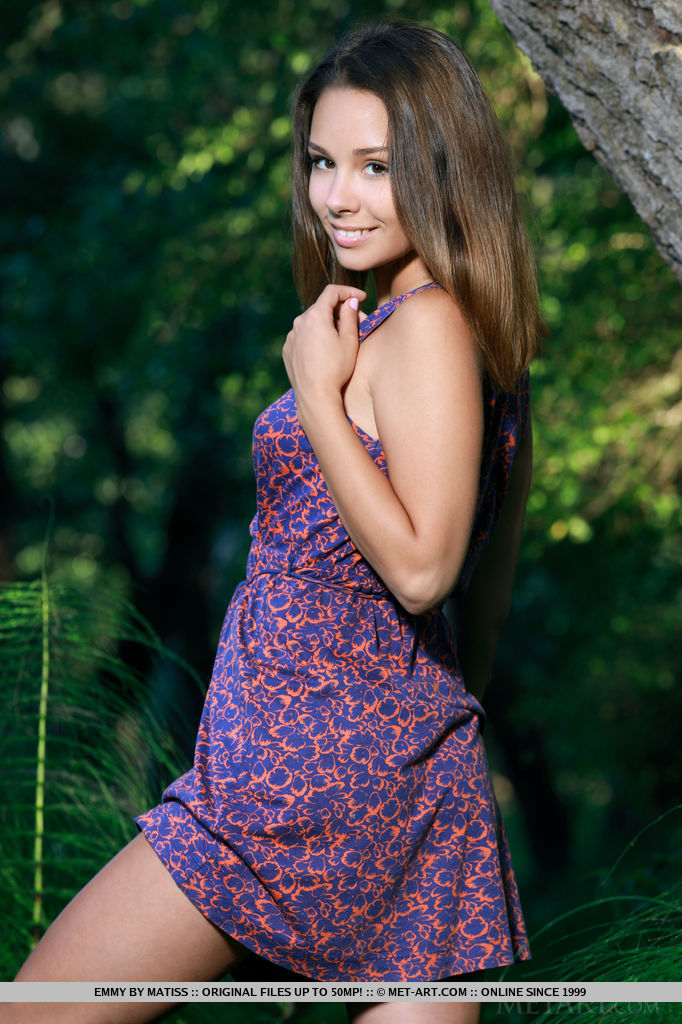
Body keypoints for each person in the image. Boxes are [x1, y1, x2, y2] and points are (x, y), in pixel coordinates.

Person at [8, 19, 543, 1024]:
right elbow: (486, 609)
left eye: (375, 165)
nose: (337, 195)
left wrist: (312, 398)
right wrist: (410, 763)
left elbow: (427, 572)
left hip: (286, 784)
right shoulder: (492, 353)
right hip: (408, 784)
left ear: (441, 168)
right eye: (322, 162)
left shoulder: (425, 328)